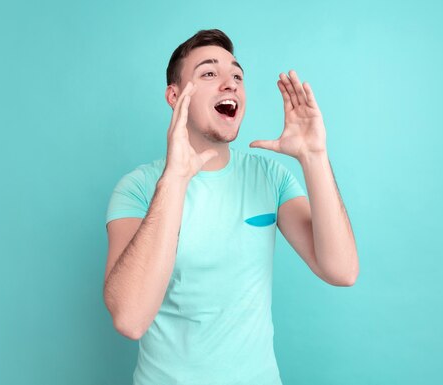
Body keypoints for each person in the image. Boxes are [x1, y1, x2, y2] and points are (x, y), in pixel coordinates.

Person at [103, 29, 359, 385]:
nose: (230, 83)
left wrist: (314, 155)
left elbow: (342, 271)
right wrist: (175, 180)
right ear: (175, 96)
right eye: (209, 73)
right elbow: (130, 318)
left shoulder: (270, 177)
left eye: (237, 75)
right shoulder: (137, 189)